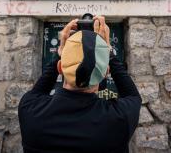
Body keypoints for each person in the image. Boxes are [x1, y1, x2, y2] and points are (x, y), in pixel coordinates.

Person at [18, 16, 142, 153]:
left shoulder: (30, 110)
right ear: (106, 73)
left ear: (60, 68)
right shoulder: (119, 119)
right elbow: (133, 96)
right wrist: (107, 51)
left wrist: (60, 53)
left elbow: (37, 92)